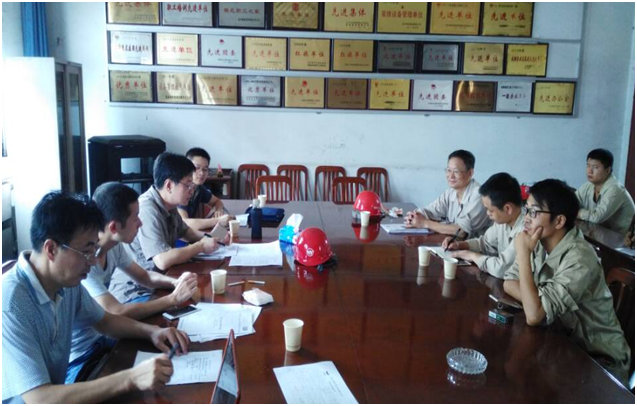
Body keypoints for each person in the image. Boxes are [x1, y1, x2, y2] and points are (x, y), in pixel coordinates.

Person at [2, 192, 189, 403]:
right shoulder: (10, 303)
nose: (92, 262)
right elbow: (40, 399)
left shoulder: (66, 282)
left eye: (94, 250)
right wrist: (131, 378)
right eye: (86, 252)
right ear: (51, 249)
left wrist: (153, 332)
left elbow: (104, 321)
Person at [67, 182, 200, 383]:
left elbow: (145, 277)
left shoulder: (114, 245)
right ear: (114, 226)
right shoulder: (84, 261)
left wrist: (177, 283)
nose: (140, 223)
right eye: (135, 217)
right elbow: (115, 311)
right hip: (83, 356)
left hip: (104, 339)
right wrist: (172, 299)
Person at [503, 179, 630, 386]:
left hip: (599, 361)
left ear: (559, 221)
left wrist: (524, 256)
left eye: (534, 212)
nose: (526, 218)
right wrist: (535, 301)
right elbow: (509, 282)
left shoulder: (580, 258)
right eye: (527, 210)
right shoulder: (538, 240)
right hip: (559, 344)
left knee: (518, 377)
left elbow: (534, 315)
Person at [110, 152, 228, 303]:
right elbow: (162, 260)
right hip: (135, 292)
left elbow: (186, 232)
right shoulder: (147, 208)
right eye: (188, 185)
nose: (192, 190)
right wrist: (200, 246)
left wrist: (214, 237)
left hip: (161, 281)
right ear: (169, 185)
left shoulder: (169, 205)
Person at [443, 172, 524, 279]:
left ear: (507, 209)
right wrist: (460, 245)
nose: (487, 213)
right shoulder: (503, 221)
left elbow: (501, 268)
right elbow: (485, 243)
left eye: (490, 210)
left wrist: (472, 256)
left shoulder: (525, 230)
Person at [404, 149, 491, 238]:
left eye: (456, 171)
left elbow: (461, 231)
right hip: (453, 243)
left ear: (470, 173)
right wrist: (415, 216)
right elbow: (430, 211)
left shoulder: (478, 195)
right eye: (448, 170)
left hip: (474, 245)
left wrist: (425, 223)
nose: (451, 176)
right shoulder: (450, 192)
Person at [575, 148, 634, 234]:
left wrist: (576, 212)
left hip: (622, 238)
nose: (590, 171)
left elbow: (597, 217)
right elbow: (571, 202)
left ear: (608, 170)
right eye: (588, 165)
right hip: (601, 234)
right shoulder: (589, 185)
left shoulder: (615, 189)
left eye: (595, 167)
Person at [178, 147, 233, 231]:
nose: (201, 173)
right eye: (197, 168)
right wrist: (218, 220)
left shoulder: (198, 188)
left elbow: (217, 201)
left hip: (189, 234)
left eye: (205, 169)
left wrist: (218, 211)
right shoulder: (179, 190)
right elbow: (185, 223)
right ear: (186, 167)